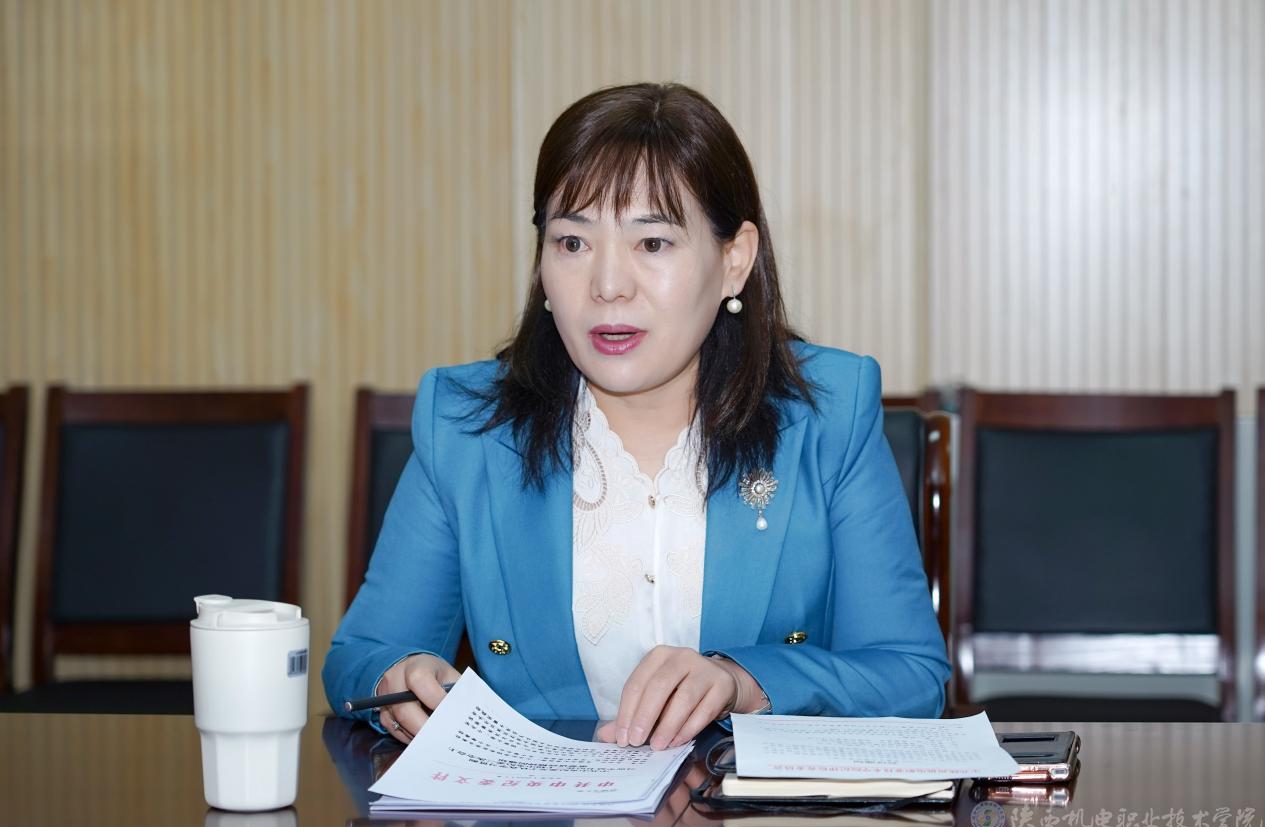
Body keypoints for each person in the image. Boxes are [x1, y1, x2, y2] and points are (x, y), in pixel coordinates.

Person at [324, 82, 950, 752]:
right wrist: (400, 676)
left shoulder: (826, 414)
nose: (607, 286)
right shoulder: (469, 427)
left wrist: (743, 681)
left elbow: (911, 677)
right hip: (536, 804)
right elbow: (361, 656)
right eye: (572, 242)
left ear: (733, 260)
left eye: (652, 243)